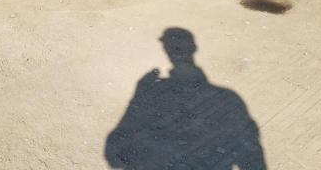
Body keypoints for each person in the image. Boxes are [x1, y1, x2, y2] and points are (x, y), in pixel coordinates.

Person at [105, 28, 266, 169]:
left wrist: (138, 98)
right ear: (193, 48)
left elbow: (115, 154)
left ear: (166, 50)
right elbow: (251, 156)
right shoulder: (228, 98)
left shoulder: (153, 94)